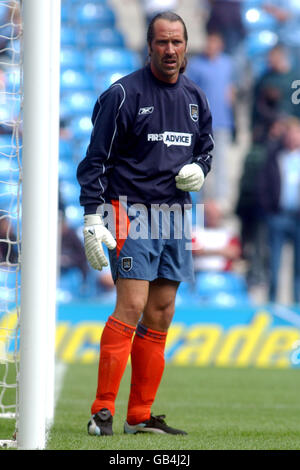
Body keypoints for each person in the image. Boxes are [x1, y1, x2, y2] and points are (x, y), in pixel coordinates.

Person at [77, 11, 214, 436]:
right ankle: (101, 412)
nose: (170, 50)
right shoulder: (122, 95)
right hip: (130, 211)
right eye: (162, 43)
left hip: (173, 215)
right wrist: (91, 216)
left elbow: (206, 148)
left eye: (177, 42)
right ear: (149, 46)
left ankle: (139, 415)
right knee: (132, 307)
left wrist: (201, 169)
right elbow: (95, 160)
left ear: (186, 46)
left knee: (160, 313)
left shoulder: (195, 98)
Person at [187, 31, 235, 206]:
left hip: (223, 121)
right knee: (202, 161)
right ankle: (205, 200)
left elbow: (231, 90)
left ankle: (221, 201)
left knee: (221, 163)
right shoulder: (196, 65)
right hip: (203, 124)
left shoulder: (227, 64)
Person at [258, 116, 300, 304]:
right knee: (274, 263)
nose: (293, 138)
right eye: (289, 134)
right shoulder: (275, 156)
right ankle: (273, 304)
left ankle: (297, 305)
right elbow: (264, 184)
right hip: (278, 216)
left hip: (298, 218)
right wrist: (269, 209)